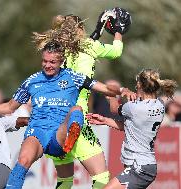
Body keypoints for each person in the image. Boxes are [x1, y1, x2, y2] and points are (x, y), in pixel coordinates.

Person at [0, 41, 135, 189]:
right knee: (22, 161)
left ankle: (70, 138)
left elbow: (104, 88)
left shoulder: (73, 77)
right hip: (37, 131)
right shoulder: (32, 80)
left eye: (52, 62)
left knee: (76, 110)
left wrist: (121, 90)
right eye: (44, 61)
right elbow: (10, 107)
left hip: (59, 133)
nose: (47, 65)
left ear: (61, 61)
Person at [32, 10, 128, 188]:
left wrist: (99, 29)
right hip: (77, 118)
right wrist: (118, 31)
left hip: (54, 120)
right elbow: (116, 52)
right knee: (101, 176)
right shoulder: (89, 46)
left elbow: (83, 44)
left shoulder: (57, 49)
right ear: (81, 29)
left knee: (65, 180)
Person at [86, 69, 177, 189]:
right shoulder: (159, 105)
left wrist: (112, 94)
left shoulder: (134, 108)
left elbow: (114, 109)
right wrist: (105, 120)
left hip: (139, 167)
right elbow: (130, 127)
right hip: (146, 165)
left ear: (139, 85)